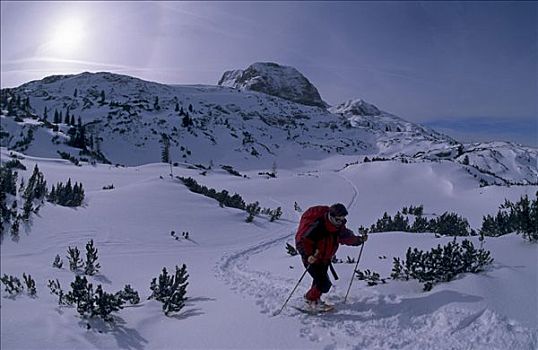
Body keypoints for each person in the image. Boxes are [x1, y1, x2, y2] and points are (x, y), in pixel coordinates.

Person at [295, 203, 367, 310]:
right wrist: (308, 255)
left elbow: (346, 237)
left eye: (342, 219)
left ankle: (314, 299)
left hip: (325, 259)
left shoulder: (338, 227)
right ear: (331, 216)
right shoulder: (318, 226)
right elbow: (303, 241)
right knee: (324, 284)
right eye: (338, 219)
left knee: (319, 281)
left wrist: (358, 240)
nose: (341, 222)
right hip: (312, 259)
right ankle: (310, 299)